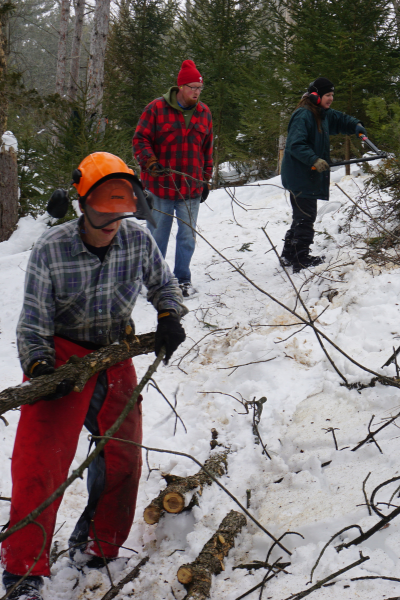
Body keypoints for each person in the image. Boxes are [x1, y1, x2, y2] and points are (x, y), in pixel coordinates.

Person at [1, 152, 187, 600]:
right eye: (103, 213)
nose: (111, 224)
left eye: (120, 214)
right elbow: (32, 323)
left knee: (122, 454)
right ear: (83, 205)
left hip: (114, 350)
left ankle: (98, 545)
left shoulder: (138, 241)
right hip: (61, 353)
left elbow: (164, 284)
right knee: (40, 463)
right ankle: (24, 568)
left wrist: (168, 314)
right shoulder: (52, 248)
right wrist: (41, 367)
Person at [132, 59, 213, 298]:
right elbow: (140, 139)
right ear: (180, 88)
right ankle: (154, 280)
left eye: (200, 88)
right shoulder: (155, 109)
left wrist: (206, 178)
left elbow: (207, 149)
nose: (197, 93)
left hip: (191, 188)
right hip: (160, 187)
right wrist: (150, 162)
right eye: (192, 88)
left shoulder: (204, 113)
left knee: (187, 236)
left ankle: (182, 279)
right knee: (158, 236)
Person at [280, 76, 367, 272]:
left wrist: (356, 126)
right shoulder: (304, 115)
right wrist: (314, 159)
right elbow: (295, 144)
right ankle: (300, 258)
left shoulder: (322, 113)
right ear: (315, 95)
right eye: (327, 95)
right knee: (306, 216)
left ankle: (289, 254)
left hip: (305, 175)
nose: (331, 98)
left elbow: (341, 119)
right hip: (301, 175)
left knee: (301, 215)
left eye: (332, 95)